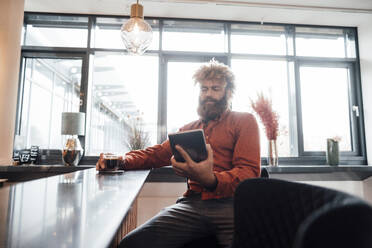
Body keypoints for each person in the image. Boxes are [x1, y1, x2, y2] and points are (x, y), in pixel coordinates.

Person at [96, 59, 261, 248]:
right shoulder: (188, 129)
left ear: (228, 92)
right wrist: (122, 159)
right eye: (204, 89)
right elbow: (157, 154)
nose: (209, 94)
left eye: (215, 88)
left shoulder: (244, 121)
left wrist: (211, 180)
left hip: (232, 206)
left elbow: (249, 173)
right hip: (193, 205)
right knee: (132, 243)